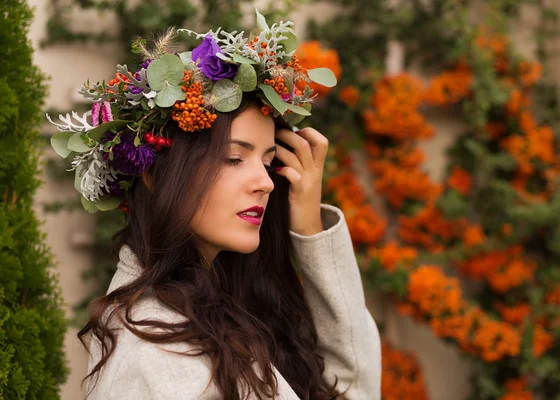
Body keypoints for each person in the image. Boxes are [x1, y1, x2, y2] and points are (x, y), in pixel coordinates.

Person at [48, 10, 381, 399]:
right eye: (234, 159)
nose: (264, 182)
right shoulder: (162, 359)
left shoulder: (214, 313)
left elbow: (347, 389)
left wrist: (309, 228)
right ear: (155, 173)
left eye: (269, 161)